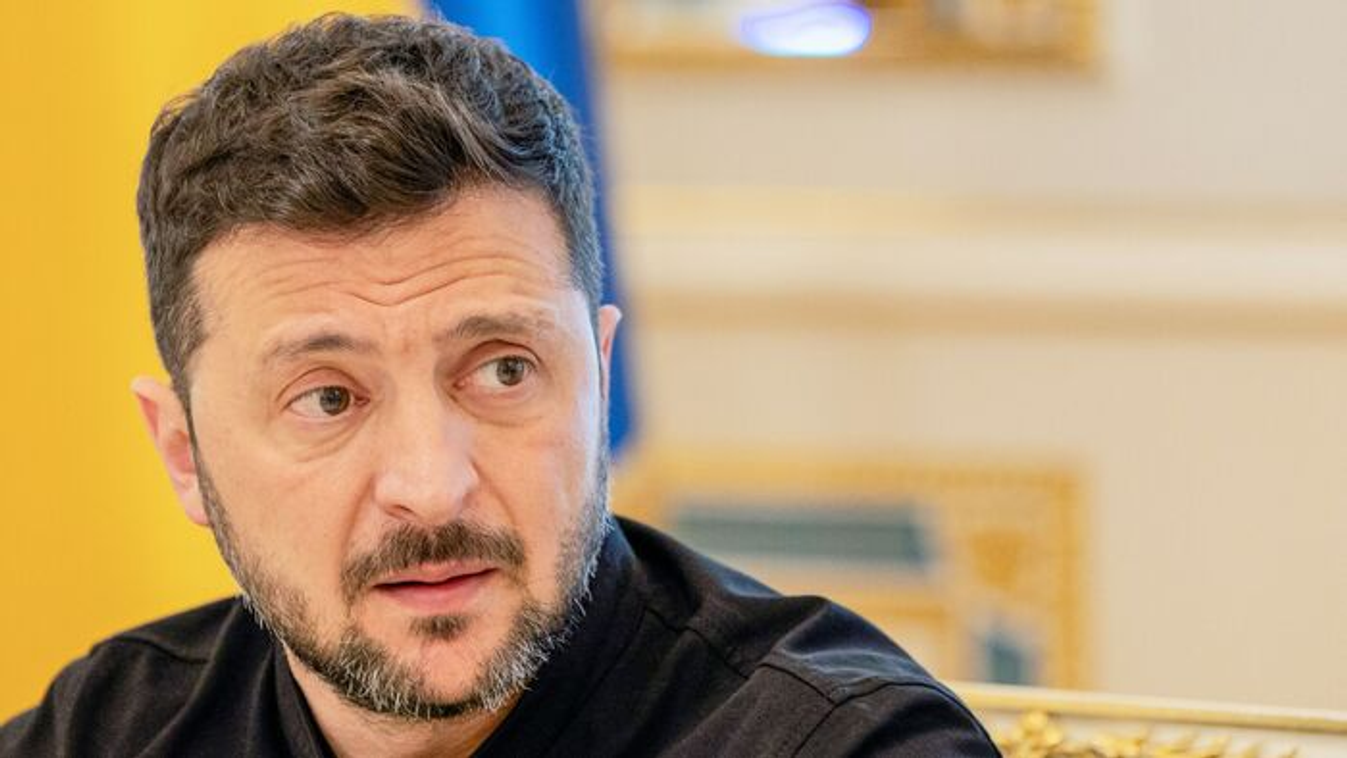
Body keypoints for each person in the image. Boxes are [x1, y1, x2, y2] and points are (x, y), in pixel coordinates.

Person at [0, 14, 998, 757]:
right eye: (329, 398)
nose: (432, 488)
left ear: (597, 380)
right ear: (184, 454)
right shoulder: (106, 730)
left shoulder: (838, 743)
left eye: (503, 370)